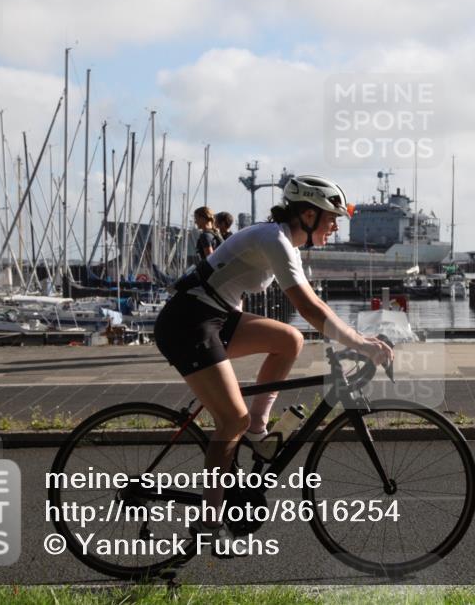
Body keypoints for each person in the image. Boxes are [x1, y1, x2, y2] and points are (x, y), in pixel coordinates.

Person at [153, 175, 393, 549]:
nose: (334, 228)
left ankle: (258, 431)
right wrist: (361, 343)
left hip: (215, 319)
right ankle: (209, 520)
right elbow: (310, 308)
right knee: (231, 417)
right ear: (309, 215)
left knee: (289, 339)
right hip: (188, 323)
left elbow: (305, 309)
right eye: (332, 219)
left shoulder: (284, 242)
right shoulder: (274, 240)